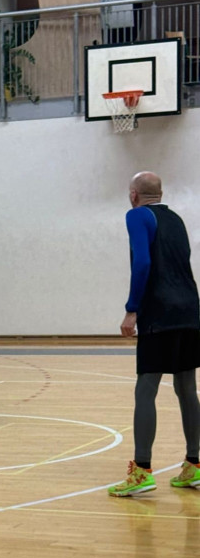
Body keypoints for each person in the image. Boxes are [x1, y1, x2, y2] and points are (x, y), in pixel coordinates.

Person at [108, 171, 200, 496]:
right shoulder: (176, 220)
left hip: (159, 311)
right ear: (160, 193)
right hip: (189, 309)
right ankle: (194, 465)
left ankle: (142, 471)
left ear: (134, 194)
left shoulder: (136, 216)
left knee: (145, 389)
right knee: (187, 388)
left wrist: (132, 308)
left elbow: (143, 263)